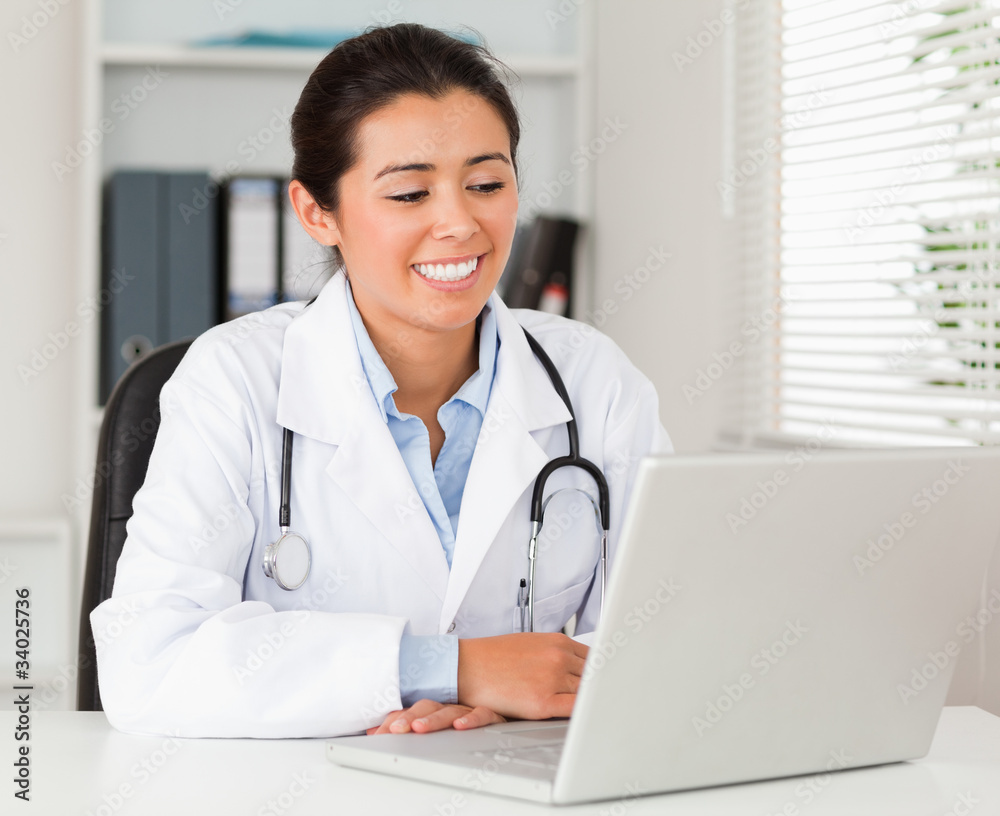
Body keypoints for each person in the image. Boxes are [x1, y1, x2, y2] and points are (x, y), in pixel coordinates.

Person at [91, 22, 671, 739]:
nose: (459, 223)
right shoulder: (233, 381)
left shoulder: (594, 382)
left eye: (486, 183)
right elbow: (150, 663)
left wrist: (516, 694)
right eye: (408, 195)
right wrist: (448, 666)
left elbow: (676, 635)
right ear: (316, 212)